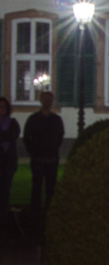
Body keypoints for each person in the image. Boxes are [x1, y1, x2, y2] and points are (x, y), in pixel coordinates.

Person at [23, 90, 64, 213]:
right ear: (41, 101)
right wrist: (32, 151)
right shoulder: (34, 119)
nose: (47, 102)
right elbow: (26, 137)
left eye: (49, 100)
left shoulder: (56, 120)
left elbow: (60, 137)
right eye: (45, 99)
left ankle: (49, 209)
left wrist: (52, 149)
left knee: (50, 185)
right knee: (37, 185)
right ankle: (35, 209)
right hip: (38, 157)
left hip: (50, 157)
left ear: (52, 102)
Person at [0, 98, 20, 232]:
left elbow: (13, 136)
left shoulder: (13, 123)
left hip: (8, 162)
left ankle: (4, 214)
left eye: (3, 107)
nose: (1, 109)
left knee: (5, 189)